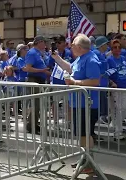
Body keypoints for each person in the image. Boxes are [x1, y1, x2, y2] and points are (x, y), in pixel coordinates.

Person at [52, 34, 101, 174]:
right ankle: (84, 159)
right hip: (78, 103)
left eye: (72, 44)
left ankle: (88, 162)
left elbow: (95, 81)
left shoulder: (91, 59)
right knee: (81, 133)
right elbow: (70, 69)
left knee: (86, 133)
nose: (70, 46)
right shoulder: (80, 58)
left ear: (79, 47)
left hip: (87, 103)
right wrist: (57, 58)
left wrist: (75, 83)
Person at [24, 35, 51, 134]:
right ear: (39, 42)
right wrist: (42, 70)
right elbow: (28, 68)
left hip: (40, 79)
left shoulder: (39, 53)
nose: (45, 45)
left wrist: (46, 72)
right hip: (34, 80)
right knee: (35, 104)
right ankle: (31, 126)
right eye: (44, 42)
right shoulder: (32, 53)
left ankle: (34, 124)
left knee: (38, 105)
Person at [107, 39, 126, 140]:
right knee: (118, 109)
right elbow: (106, 74)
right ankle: (118, 132)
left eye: (119, 47)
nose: (117, 49)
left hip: (125, 86)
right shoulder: (109, 60)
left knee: (125, 108)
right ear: (111, 49)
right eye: (115, 47)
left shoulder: (124, 59)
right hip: (115, 87)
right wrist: (111, 83)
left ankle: (115, 123)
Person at [93, 36, 109, 125]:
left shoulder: (101, 54)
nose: (107, 45)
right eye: (106, 44)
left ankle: (102, 116)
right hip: (99, 82)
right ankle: (101, 116)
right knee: (101, 100)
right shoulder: (97, 53)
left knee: (103, 99)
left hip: (103, 81)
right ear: (102, 45)